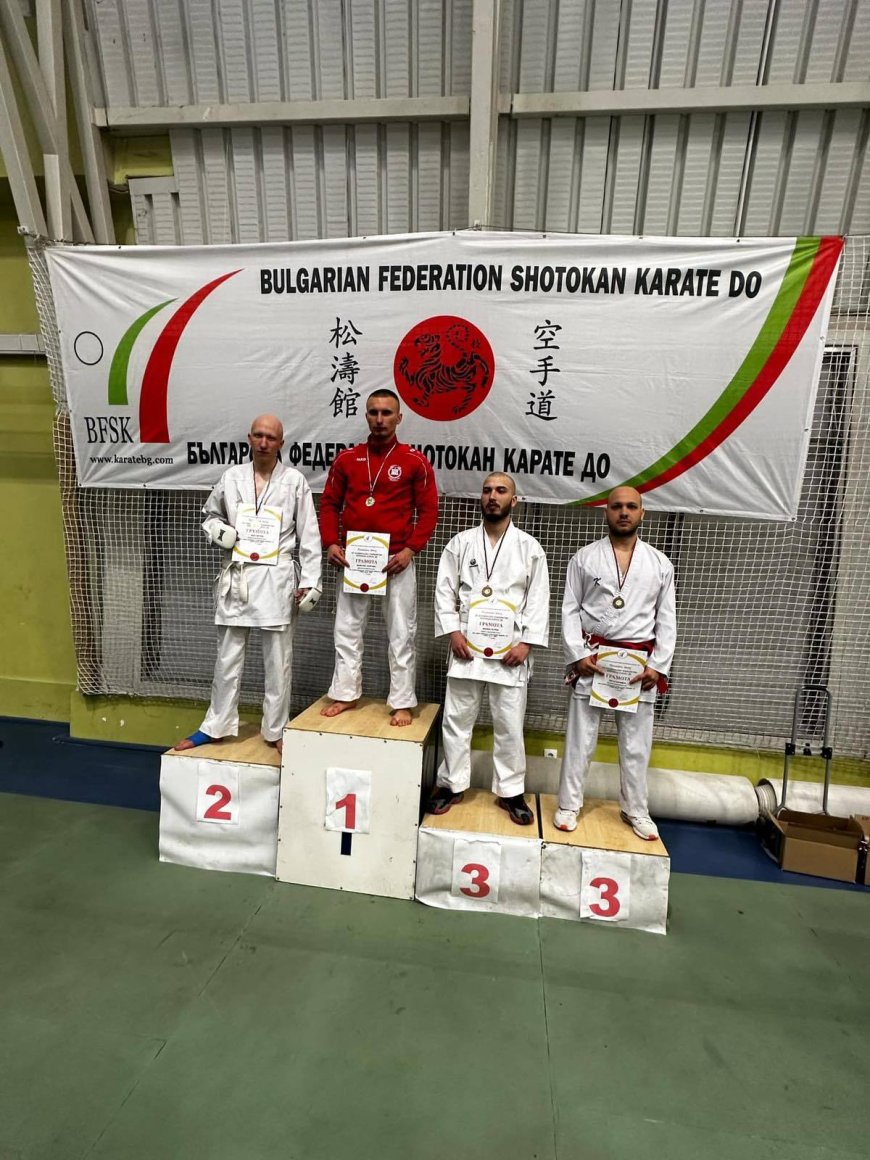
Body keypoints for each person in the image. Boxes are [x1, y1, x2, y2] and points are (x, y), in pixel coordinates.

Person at [175, 414, 321, 756]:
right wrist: (218, 531)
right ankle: (216, 725)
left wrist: (311, 581)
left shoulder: (294, 481)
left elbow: (310, 534)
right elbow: (210, 515)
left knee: (278, 660)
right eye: (258, 435)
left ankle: (276, 729)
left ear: (281, 443)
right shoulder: (232, 477)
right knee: (227, 657)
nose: (264, 442)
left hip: (276, 577)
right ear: (249, 438)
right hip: (238, 574)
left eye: (271, 437)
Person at [555, 486, 676, 840]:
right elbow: (569, 609)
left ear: (642, 513)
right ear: (606, 511)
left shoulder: (659, 563)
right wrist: (578, 655)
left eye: (631, 507)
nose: (624, 512)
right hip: (595, 659)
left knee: (637, 745)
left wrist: (658, 665)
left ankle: (636, 809)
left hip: (638, 665)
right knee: (580, 739)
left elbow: (667, 618)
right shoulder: (584, 558)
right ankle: (568, 804)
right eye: (617, 506)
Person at [428, 473, 549, 824]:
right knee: (456, 719)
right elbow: (444, 590)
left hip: (510, 651)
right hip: (467, 646)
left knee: (509, 724)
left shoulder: (529, 548)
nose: (492, 496)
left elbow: (538, 598)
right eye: (487, 490)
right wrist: (453, 632)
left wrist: (527, 643)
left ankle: (510, 792)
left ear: (514, 500)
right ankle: (451, 784)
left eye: (501, 490)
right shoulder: (461, 543)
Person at [319, 389, 439, 726]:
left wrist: (410, 549)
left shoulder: (414, 461)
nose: (380, 419)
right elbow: (329, 504)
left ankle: (402, 701)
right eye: (373, 412)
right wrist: (331, 543)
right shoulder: (347, 459)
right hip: (353, 559)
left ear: (399, 417)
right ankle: (345, 693)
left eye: (387, 413)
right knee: (346, 629)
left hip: (396, 560)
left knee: (402, 633)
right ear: (366, 416)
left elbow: (429, 509)